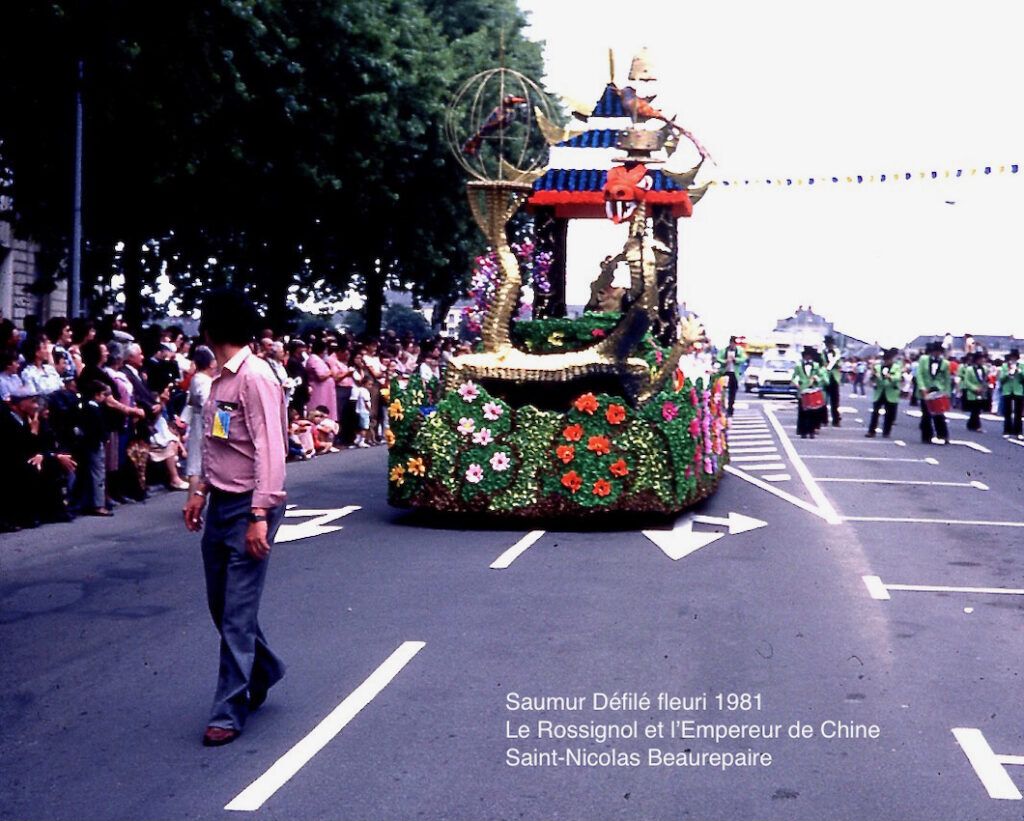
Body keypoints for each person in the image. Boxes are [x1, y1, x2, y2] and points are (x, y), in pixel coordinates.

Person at [182, 289, 288, 747]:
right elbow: (216, 442)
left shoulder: (256, 377)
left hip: (251, 504)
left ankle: (228, 710)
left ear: (210, 330)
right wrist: (199, 489)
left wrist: (260, 514)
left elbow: (272, 449)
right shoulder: (218, 381)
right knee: (221, 605)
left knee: (237, 612)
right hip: (221, 501)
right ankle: (263, 669)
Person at [185, 346, 216, 487]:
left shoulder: (200, 379)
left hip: (201, 422)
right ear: (211, 363)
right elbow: (206, 403)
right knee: (196, 465)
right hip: (203, 424)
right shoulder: (202, 380)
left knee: (199, 465)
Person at [916, 341, 951, 444]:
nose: (937, 353)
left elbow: (947, 379)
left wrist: (947, 393)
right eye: (935, 351)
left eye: (939, 352)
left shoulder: (945, 363)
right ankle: (926, 436)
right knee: (926, 414)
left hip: (938, 390)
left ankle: (943, 435)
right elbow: (919, 374)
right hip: (926, 390)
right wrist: (922, 388)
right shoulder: (923, 360)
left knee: (939, 414)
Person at [791, 346, 826, 439]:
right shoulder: (798, 366)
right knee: (802, 412)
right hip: (802, 390)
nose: (808, 357)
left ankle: (811, 431)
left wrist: (815, 379)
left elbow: (821, 377)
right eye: (806, 356)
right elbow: (794, 377)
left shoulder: (816, 366)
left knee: (813, 413)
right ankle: (803, 431)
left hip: (813, 390)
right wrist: (796, 383)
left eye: (809, 356)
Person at [866, 348, 901, 438]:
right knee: (875, 412)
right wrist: (873, 376)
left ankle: (886, 431)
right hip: (879, 391)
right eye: (885, 359)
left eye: (888, 359)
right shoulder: (877, 367)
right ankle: (871, 431)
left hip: (891, 392)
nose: (886, 361)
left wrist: (889, 376)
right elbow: (872, 379)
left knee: (889, 414)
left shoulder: (896, 367)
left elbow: (897, 378)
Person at [715, 336, 746, 417]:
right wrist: (725, 361)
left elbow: (743, 358)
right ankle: (721, 408)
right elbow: (718, 357)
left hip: (734, 374)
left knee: (732, 393)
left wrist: (735, 360)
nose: (733, 345)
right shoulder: (724, 350)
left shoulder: (739, 351)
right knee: (722, 391)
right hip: (725, 372)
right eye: (731, 343)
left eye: (734, 343)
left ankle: (730, 410)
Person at [960, 352, 988, 432]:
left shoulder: (985, 369)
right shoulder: (969, 369)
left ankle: (972, 424)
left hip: (981, 391)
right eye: (980, 359)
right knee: (974, 409)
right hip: (972, 392)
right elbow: (966, 381)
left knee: (978, 409)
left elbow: (985, 380)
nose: (982, 360)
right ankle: (975, 425)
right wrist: (974, 388)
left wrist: (983, 388)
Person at [999, 348, 1023, 438]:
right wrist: (1008, 373)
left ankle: (1018, 431)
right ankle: (1007, 430)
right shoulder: (1005, 366)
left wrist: (1019, 372)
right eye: (1012, 357)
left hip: (1018, 391)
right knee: (1007, 412)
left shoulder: (1021, 366)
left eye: (1015, 357)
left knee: (1018, 412)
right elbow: (1001, 379)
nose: (1013, 359)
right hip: (1007, 390)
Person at [820, 336, 842, 426]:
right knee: (823, 400)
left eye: (829, 343)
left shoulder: (837, 353)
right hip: (825, 378)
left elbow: (839, 364)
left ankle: (836, 420)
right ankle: (824, 419)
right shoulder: (823, 352)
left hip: (834, 378)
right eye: (827, 343)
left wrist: (832, 364)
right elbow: (821, 363)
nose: (828, 345)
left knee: (835, 401)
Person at [351, 376, 373, 448]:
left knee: (359, 426)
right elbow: (366, 402)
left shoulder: (359, 390)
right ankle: (362, 441)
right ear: (364, 384)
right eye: (369, 384)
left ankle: (358, 439)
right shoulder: (365, 391)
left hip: (358, 411)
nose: (370, 386)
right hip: (364, 411)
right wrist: (370, 411)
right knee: (364, 427)